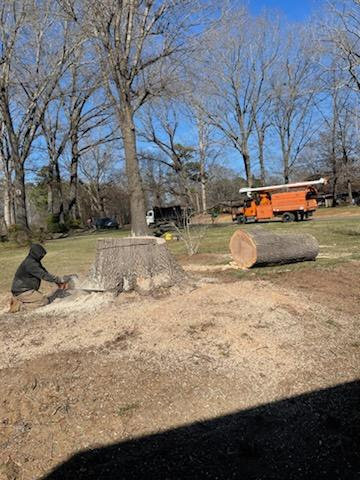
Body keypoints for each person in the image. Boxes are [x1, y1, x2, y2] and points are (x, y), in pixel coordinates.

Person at [10, 244, 69, 313]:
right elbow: (44, 275)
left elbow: (44, 272)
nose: (42, 256)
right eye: (41, 255)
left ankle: (20, 300)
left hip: (25, 289)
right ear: (36, 254)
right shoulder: (30, 264)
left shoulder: (33, 261)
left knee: (42, 298)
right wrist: (60, 280)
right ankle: (20, 306)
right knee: (44, 301)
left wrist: (57, 282)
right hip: (22, 291)